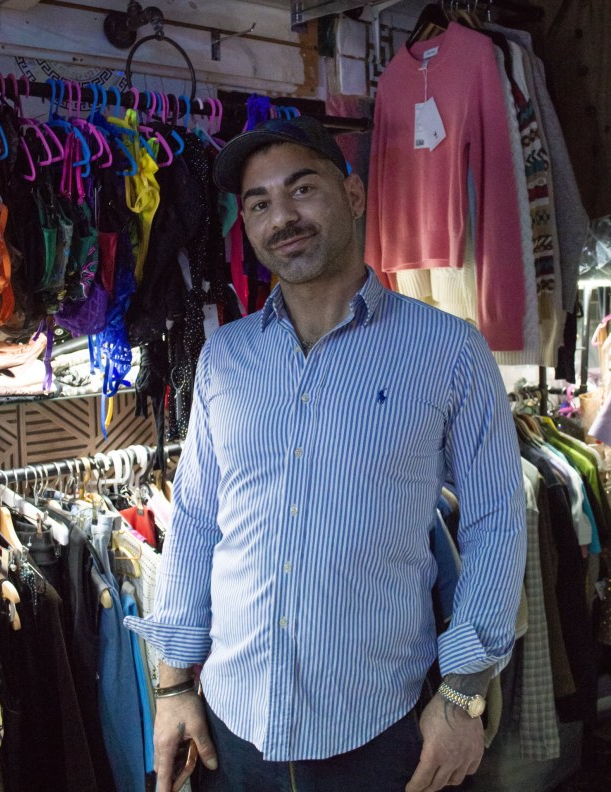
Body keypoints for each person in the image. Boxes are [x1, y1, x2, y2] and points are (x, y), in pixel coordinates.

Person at [125, 116, 527, 792]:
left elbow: (496, 523)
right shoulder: (226, 356)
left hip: (380, 728)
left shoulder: (448, 351)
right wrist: (172, 686)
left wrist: (463, 694)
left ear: (354, 194)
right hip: (231, 728)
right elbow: (194, 521)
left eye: (302, 189)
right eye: (259, 204)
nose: (282, 217)